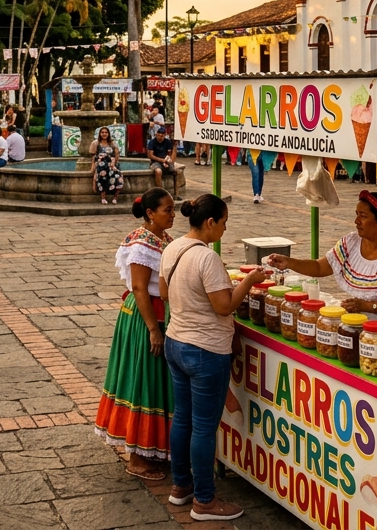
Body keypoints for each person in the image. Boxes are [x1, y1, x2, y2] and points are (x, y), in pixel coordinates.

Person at [159, 194, 267, 522]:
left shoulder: (172, 247)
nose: (224, 229)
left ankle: (181, 488)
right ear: (210, 223)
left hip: (176, 342)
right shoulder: (207, 258)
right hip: (205, 350)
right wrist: (249, 280)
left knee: (183, 419)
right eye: (223, 223)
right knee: (204, 428)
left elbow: (164, 293)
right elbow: (224, 306)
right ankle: (204, 501)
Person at [95, 188, 175, 480]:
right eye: (167, 209)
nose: (173, 214)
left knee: (157, 380)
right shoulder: (142, 242)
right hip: (145, 316)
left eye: (173, 208)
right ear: (150, 213)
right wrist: (153, 329)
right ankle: (136, 456)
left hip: (156, 311)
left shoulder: (162, 238)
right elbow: (140, 287)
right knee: (143, 378)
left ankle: (155, 446)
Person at [267, 190, 377, 329]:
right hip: (363, 325)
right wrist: (289, 262)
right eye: (356, 214)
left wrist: (366, 306)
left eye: (363, 216)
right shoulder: (351, 242)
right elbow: (319, 267)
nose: (356, 221)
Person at [92, 127, 123, 205]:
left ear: (108, 134)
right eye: (102, 132)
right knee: (102, 176)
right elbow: (94, 156)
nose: (104, 134)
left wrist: (114, 163)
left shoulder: (113, 143)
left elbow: (117, 155)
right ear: (100, 134)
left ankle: (115, 197)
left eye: (106, 132)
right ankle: (103, 198)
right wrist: (93, 167)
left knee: (119, 178)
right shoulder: (97, 143)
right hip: (101, 166)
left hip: (111, 165)